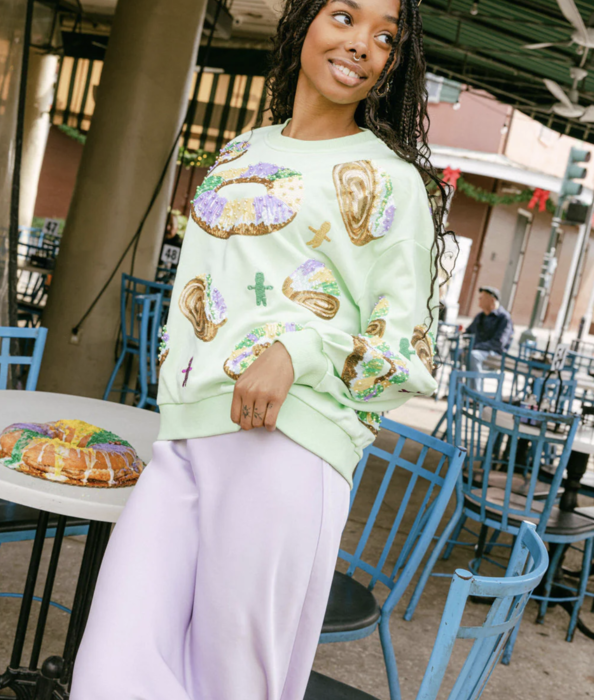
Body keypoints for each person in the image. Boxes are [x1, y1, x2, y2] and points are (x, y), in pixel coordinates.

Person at [70, 0, 451, 698]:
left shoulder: (391, 181)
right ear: (303, 21)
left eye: (385, 36)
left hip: (287, 448)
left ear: (395, 61)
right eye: (344, 16)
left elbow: (410, 355)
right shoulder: (241, 150)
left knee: (232, 686)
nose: (362, 43)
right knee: (110, 670)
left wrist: (297, 350)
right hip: (183, 433)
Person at [466, 286, 513, 389]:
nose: (479, 299)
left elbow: (498, 343)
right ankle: (457, 390)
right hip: (478, 351)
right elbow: (468, 332)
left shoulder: (504, 318)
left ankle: (474, 395)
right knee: (456, 351)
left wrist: (476, 346)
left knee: (473, 356)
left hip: (494, 354)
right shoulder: (480, 316)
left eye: (482, 297)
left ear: (491, 300)